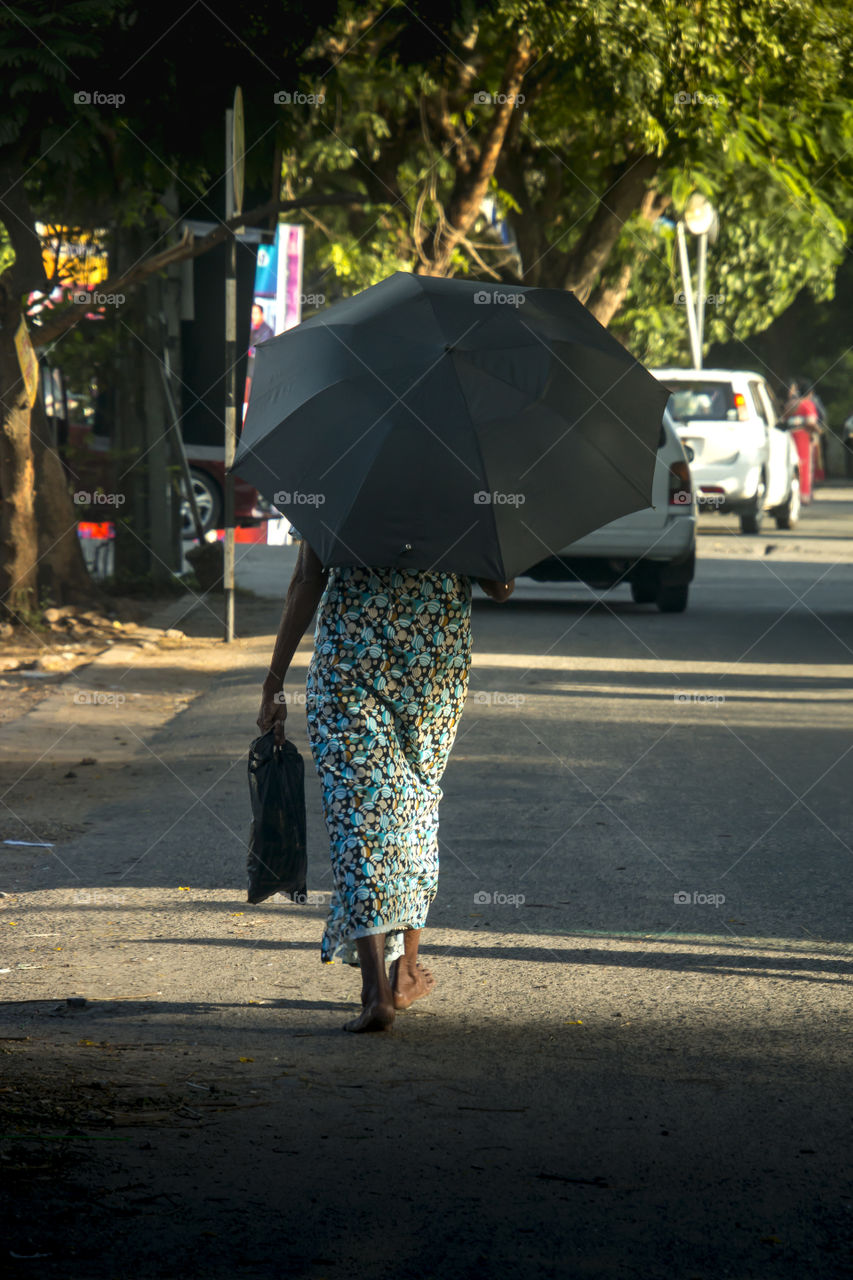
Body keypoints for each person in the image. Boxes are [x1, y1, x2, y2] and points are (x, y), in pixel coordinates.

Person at [256, 540, 514, 1033]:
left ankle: (376, 989)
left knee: (360, 816)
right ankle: (405, 972)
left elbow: (307, 579)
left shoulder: (340, 491)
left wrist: (273, 682)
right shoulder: (465, 498)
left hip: (349, 665)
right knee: (417, 804)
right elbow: (501, 588)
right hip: (432, 671)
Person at [782, 380, 820, 503]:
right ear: (810, 393)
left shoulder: (789, 404)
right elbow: (811, 422)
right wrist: (818, 430)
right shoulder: (807, 404)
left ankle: (790, 494)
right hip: (803, 437)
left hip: (789, 436)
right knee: (804, 466)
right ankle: (803, 495)